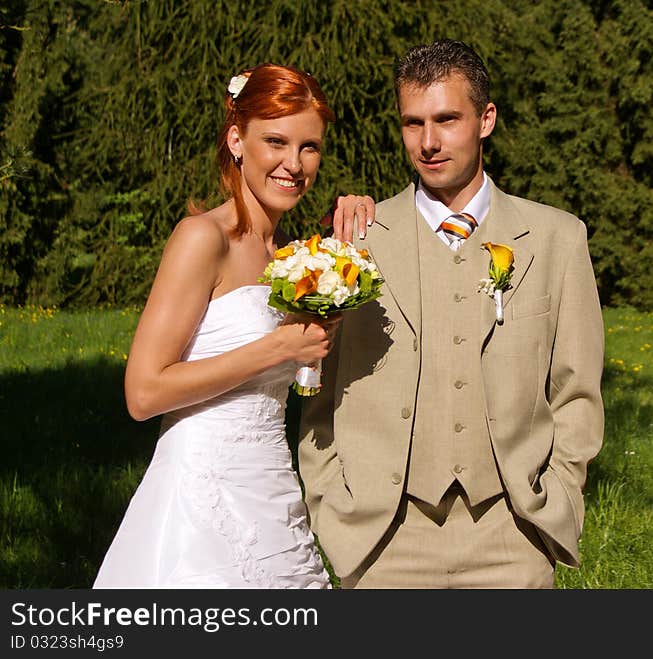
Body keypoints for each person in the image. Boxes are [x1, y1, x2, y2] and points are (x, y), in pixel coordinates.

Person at [299, 39, 605, 588]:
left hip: (513, 533)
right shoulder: (356, 239)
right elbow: (316, 387)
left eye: (447, 119)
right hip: (381, 539)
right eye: (412, 123)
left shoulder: (558, 239)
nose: (429, 142)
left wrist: (558, 491)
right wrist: (330, 503)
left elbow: (577, 389)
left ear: (485, 119)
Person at [94, 63, 373, 588]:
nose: (294, 164)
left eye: (309, 147)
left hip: (273, 491)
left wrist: (352, 224)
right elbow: (143, 392)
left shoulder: (297, 259)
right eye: (276, 141)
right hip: (200, 502)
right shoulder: (203, 238)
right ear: (236, 140)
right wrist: (275, 350)